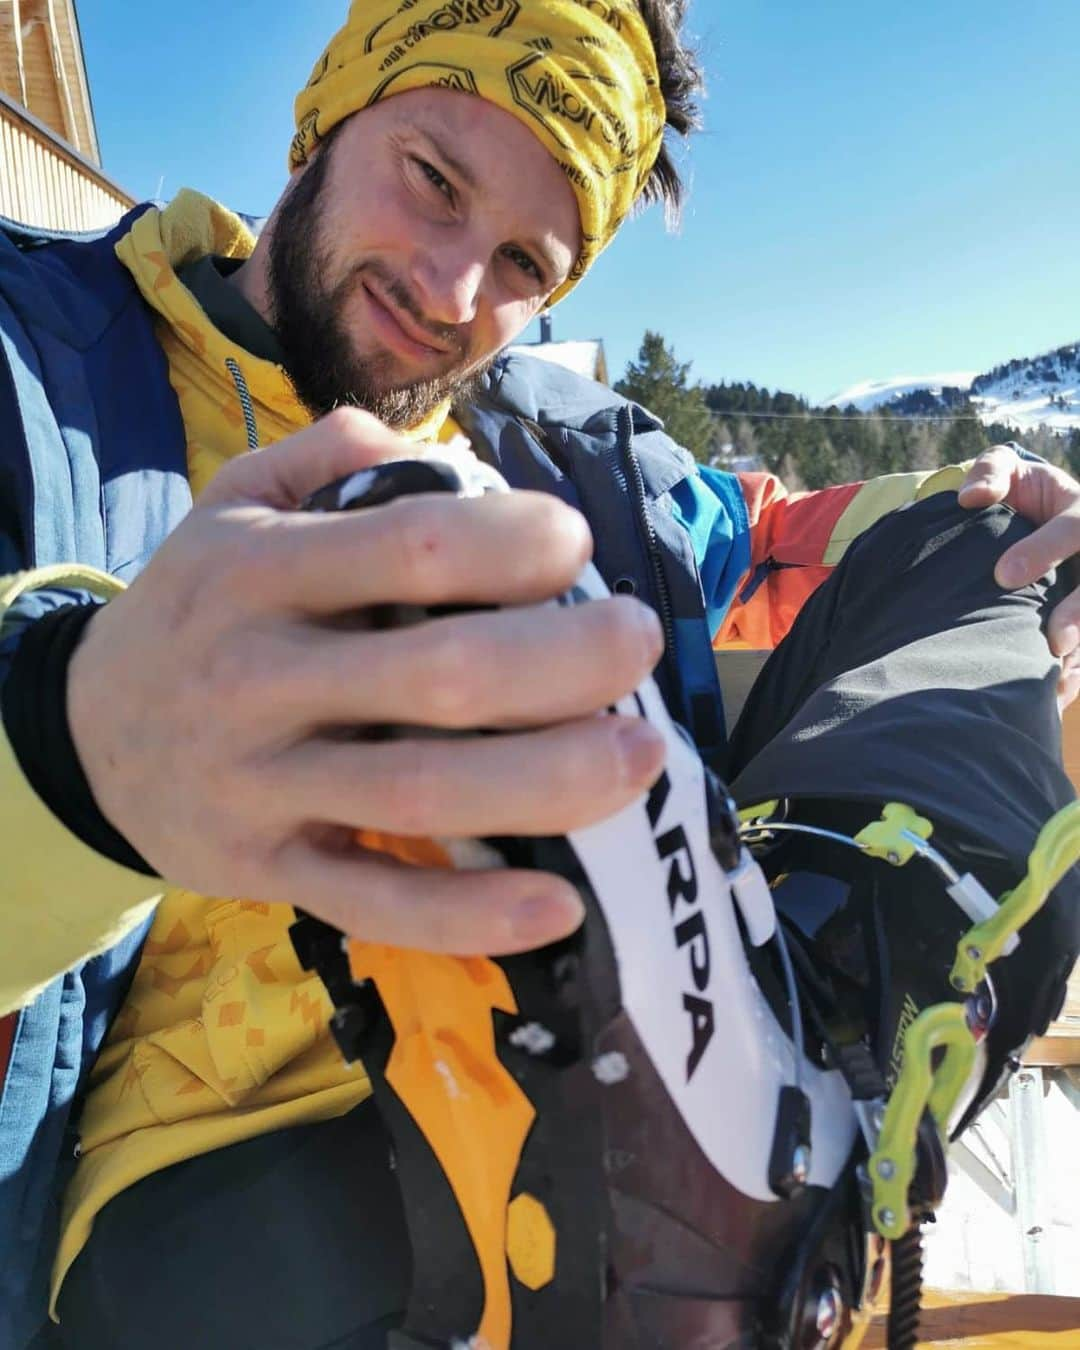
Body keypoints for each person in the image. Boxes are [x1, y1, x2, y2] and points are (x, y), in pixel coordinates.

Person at [0, 2, 1077, 1346]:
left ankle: (826, 1061)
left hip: (621, 1070)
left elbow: (785, 538)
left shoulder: (580, 469)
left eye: (523, 260)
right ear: (331, 111)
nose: (454, 290)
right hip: (225, 1194)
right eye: (434, 181)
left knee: (973, 562)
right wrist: (73, 751)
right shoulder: (31, 364)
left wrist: (991, 513)